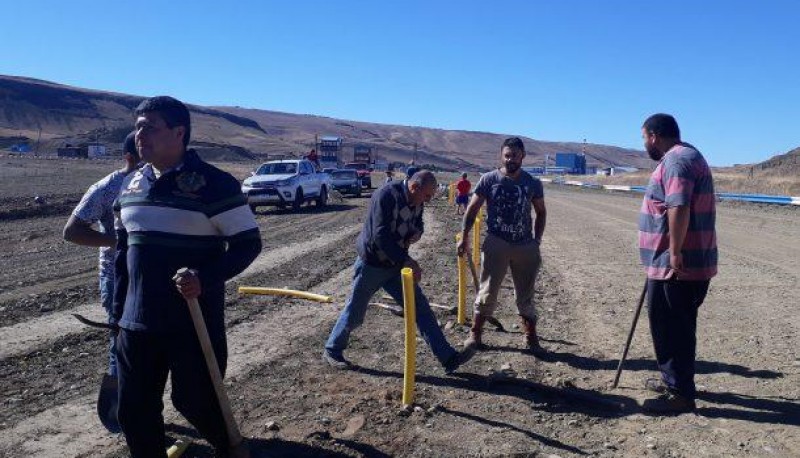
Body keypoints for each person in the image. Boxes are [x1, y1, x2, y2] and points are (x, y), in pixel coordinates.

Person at [113, 96, 262, 457]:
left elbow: (248, 245)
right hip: (137, 324)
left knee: (197, 401)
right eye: (137, 127)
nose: (139, 134)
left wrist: (205, 277)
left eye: (149, 126)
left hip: (192, 322)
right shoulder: (130, 186)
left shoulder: (215, 184)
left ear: (179, 132)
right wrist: (117, 315)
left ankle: (231, 450)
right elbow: (122, 253)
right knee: (134, 412)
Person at [324, 170, 475, 373]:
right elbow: (380, 235)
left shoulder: (418, 200)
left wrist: (416, 233)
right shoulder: (386, 195)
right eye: (427, 196)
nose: (428, 201)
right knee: (355, 312)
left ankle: (448, 357)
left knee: (420, 309)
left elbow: (418, 223)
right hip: (372, 264)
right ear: (414, 187)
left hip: (396, 266)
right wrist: (407, 260)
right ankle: (332, 350)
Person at [638, 113, 717, 414]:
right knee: (676, 325)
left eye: (644, 137)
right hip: (675, 264)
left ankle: (680, 395)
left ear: (654, 136)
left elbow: (679, 205)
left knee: (673, 328)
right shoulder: (686, 156)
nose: (644, 143)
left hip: (677, 267)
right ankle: (675, 382)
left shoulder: (676, 161)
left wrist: (673, 252)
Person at [63, 131, 140, 429]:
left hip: (152, 277)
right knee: (120, 341)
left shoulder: (159, 183)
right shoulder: (108, 188)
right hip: (117, 278)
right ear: (130, 156)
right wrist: (118, 242)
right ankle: (118, 414)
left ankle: (143, 405)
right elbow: (72, 231)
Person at [457, 137, 547, 353]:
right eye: (507, 155)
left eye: (515, 155)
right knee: (487, 291)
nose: (510, 160)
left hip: (525, 245)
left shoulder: (532, 183)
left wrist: (536, 242)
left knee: (525, 295)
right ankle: (475, 335)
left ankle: (531, 338)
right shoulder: (489, 180)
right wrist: (464, 237)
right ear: (501, 156)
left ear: (522, 156)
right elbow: (472, 209)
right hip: (496, 242)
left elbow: (541, 212)